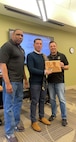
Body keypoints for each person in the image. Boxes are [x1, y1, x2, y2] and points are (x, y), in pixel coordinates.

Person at [0, 29, 28, 142]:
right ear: (12, 35)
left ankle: (16, 124)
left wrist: (25, 79)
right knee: (9, 107)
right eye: (18, 34)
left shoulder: (21, 49)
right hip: (11, 81)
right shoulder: (7, 46)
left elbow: (22, 66)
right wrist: (7, 83)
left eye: (22, 35)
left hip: (20, 81)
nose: (20, 37)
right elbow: (2, 65)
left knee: (18, 103)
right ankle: (9, 133)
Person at [27, 38, 52, 132]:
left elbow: (48, 66)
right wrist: (44, 71)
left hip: (43, 82)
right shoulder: (30, 55)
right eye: (37, 43)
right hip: (34, 83)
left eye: (40, 44)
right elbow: (31, 69)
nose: (39, 45)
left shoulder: (43, 56)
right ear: (34, 45)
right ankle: (33, 121)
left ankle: (41, 117)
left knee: (42, 100)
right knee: (34, 101)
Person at [47, 41, 69, 126]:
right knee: (52, 99)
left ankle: (64, 117)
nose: (53, 47)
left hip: (60, 81)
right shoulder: (47, 58)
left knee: (62, 100)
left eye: (54, 46)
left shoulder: (62, 56)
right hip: (50, 82)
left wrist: (63, 66)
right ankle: (53, 114)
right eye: (51, 46)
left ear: (56, 46)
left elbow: (68, 66)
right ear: (49, 47)